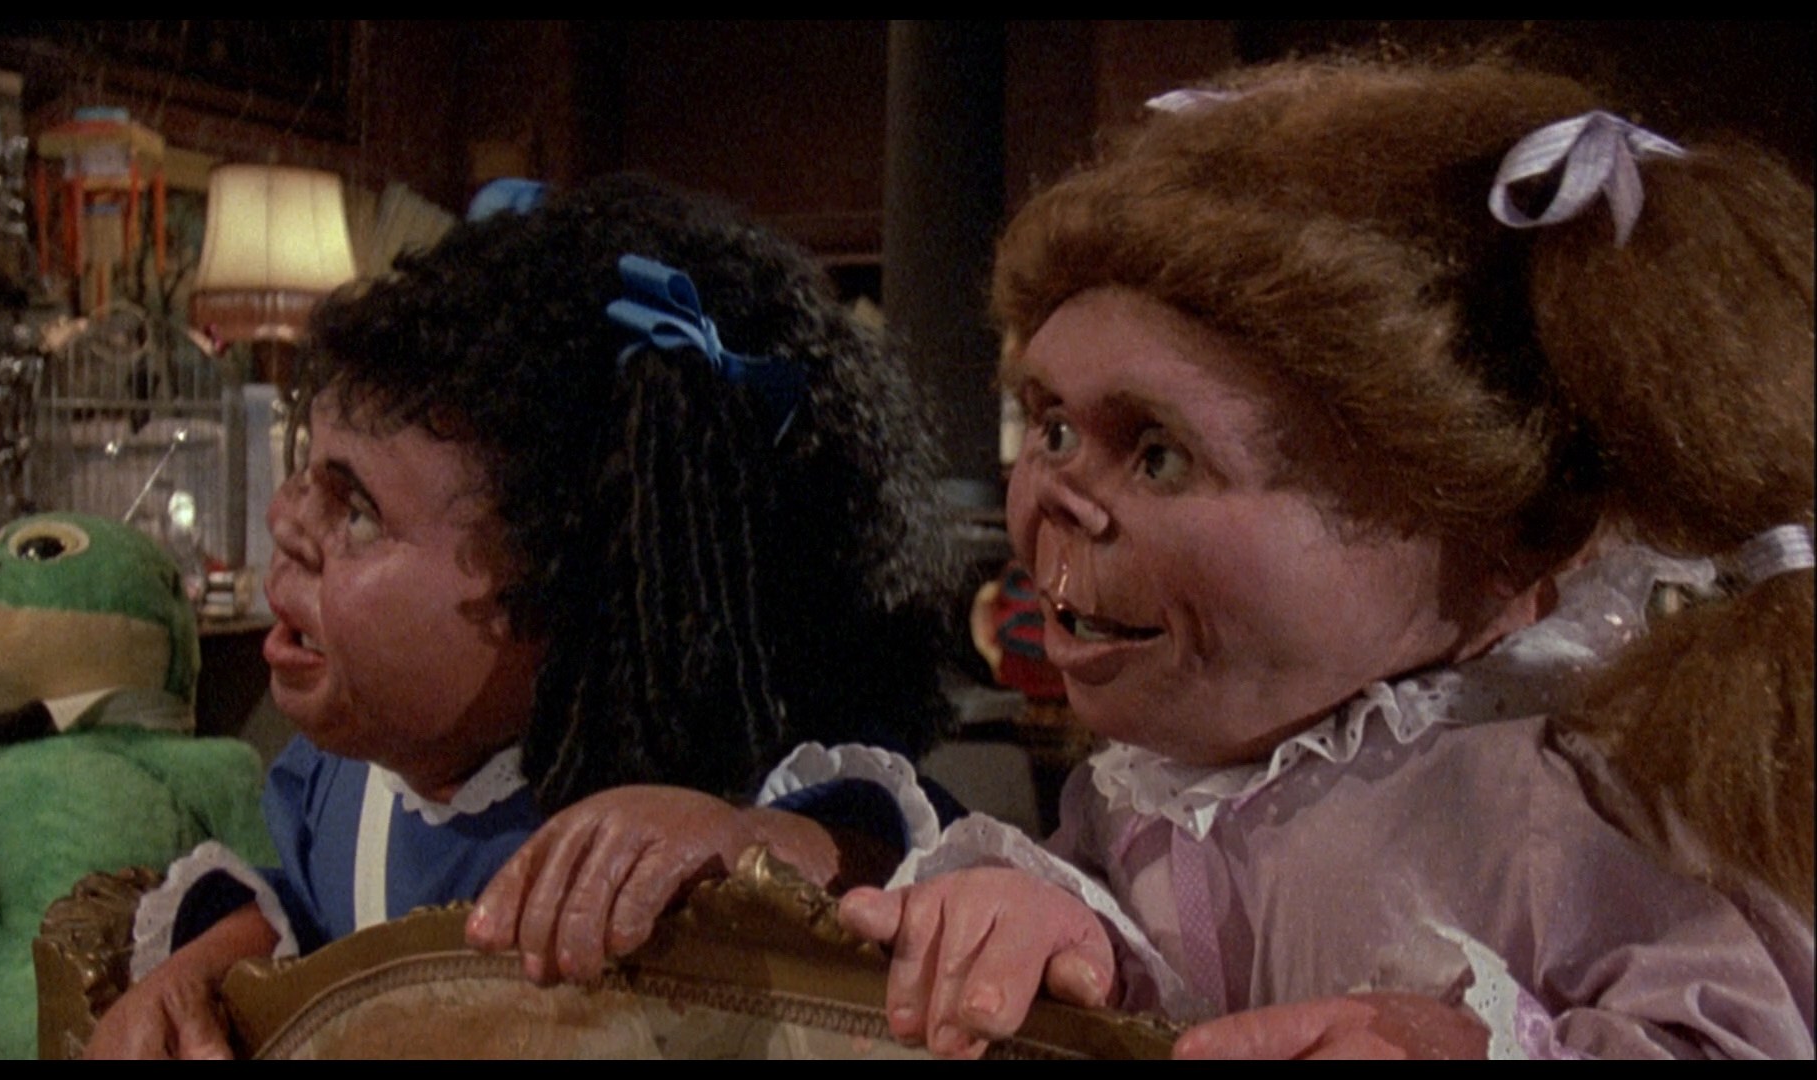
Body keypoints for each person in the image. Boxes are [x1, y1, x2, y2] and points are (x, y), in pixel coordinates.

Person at [474, 62, 1813, 1058]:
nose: (1058, 497)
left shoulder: (1557, 801)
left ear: (1502, 541)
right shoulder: (1151, 794)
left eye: (1158, 452)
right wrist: (1053, 927)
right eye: (1050, 425)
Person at [86, 174, 955, 1058]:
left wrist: (751, 848)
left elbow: (896, 863)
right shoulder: (342, 788)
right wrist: (215, 960)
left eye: (359, 511)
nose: (285, 521)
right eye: (306, 470)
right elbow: (313, 918)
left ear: (556, 598)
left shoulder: (686, 818)